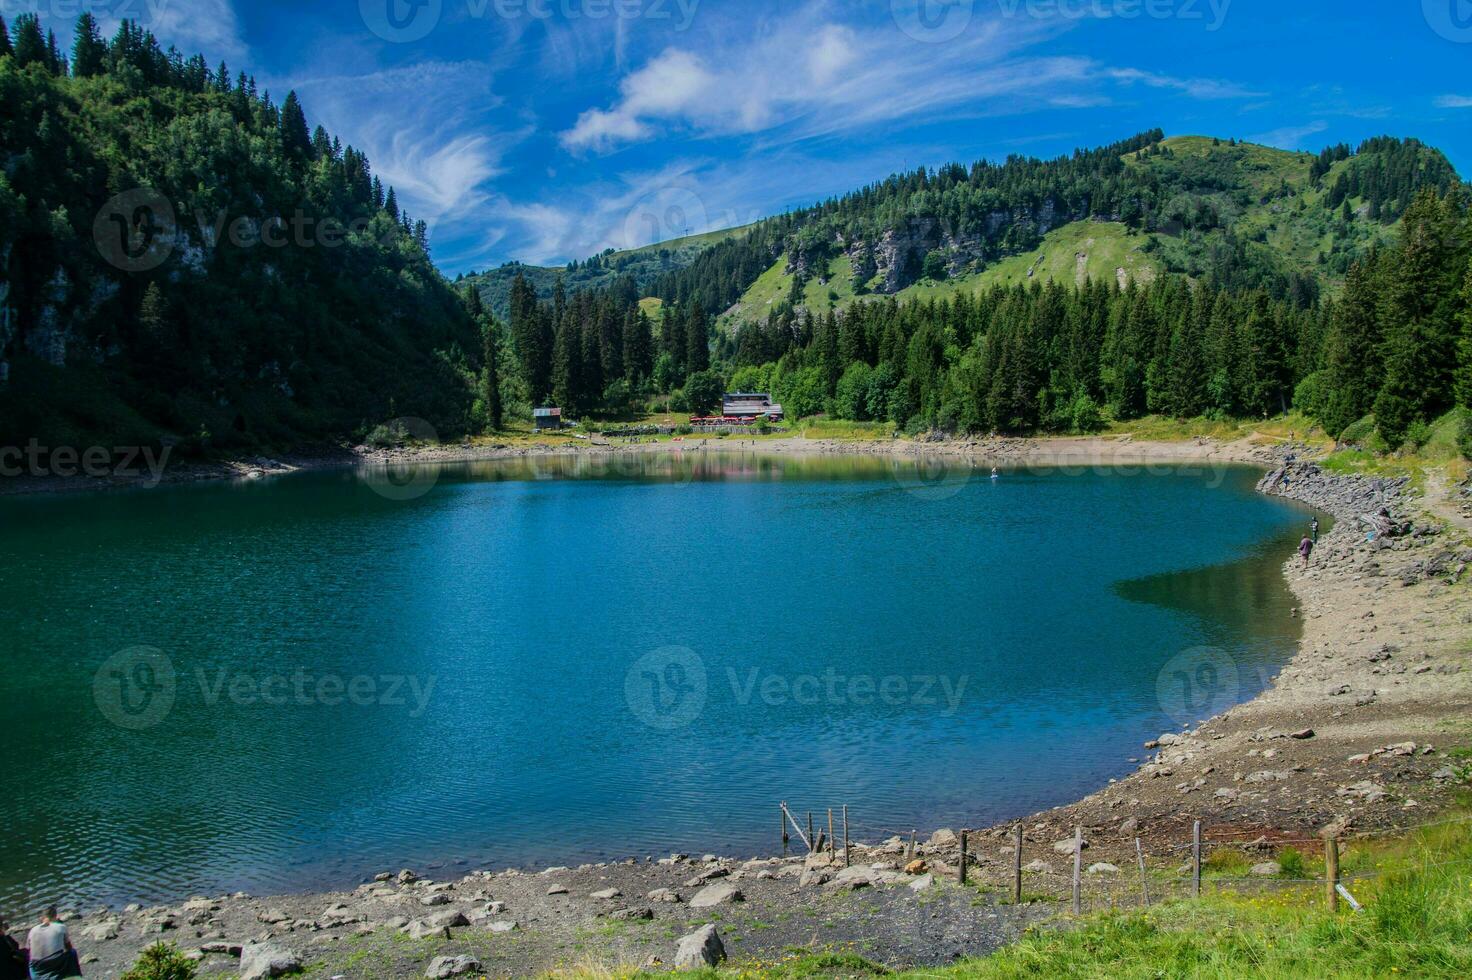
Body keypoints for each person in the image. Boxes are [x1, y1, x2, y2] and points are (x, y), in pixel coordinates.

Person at [25, 908, 78, 980]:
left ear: (42, 918)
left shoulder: (33, 930)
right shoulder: (61, 927)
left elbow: (28, 950)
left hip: (38, 966)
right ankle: (75, 976)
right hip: (55, 962)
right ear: (56, 916)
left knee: (30, 962)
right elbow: (69, 947)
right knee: (72, 952)